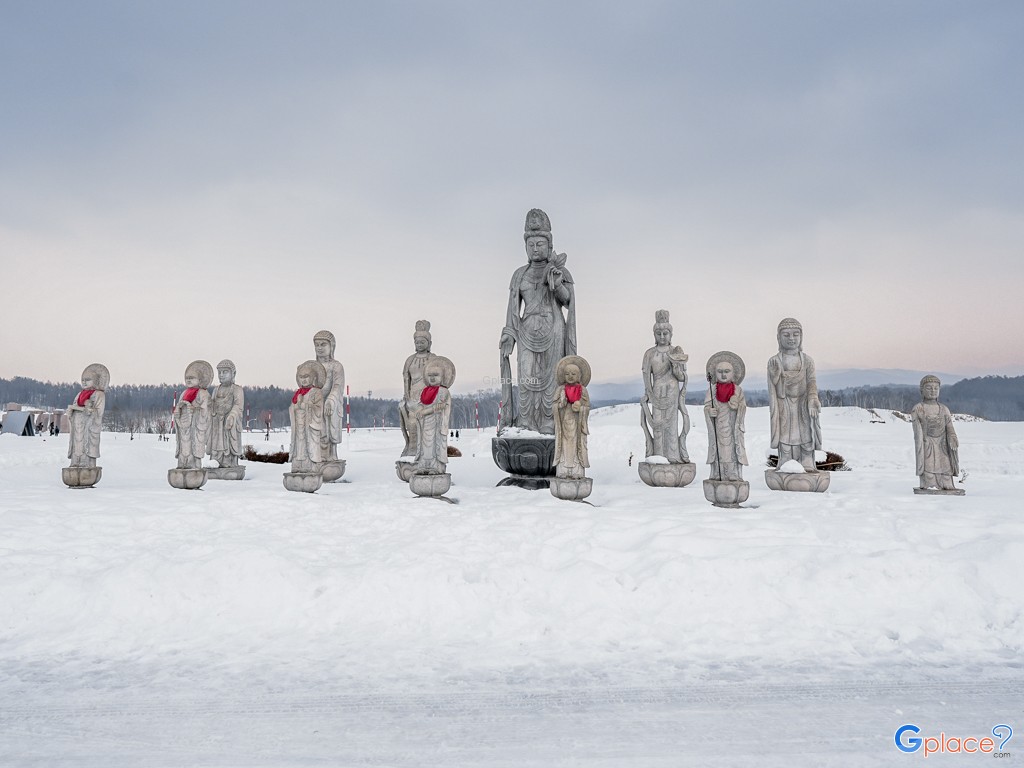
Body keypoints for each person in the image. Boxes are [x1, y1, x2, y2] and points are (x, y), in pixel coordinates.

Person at [499, 209, 577, 434]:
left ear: (549, 246)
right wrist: (509, 334)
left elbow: (568, 301)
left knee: (551, 378)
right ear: (525, 247)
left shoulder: (560, 271)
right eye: (531, 244)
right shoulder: (519, 275)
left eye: (540, 244)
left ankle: (549, 421)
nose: (535, 248)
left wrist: (557, 284)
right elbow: (512, 309)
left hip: (553, 330)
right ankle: (525, 422)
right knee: (526, 379)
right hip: (526, 331)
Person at [767, 318, 822, 471]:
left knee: (806, 432)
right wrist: (776, 377)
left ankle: (807, 462)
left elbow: (811, 381)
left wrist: (812, 398)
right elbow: (774, 390)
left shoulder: (808, 361)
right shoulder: (775, 361)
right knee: (785, 432)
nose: (791, 338)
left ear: (801, 336)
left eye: (795, 334)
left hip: (803, 402)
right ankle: (785, 462)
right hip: (783, 402)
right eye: (786, 335)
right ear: (778, 337)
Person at [640, 309, 689, 462]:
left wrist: (675, 367)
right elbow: (646, 375)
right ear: (654, 335)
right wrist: (648, 393)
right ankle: (659, 457)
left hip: (672, 392)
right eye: (658, 333)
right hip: (656, 393)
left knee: (671, 427)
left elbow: (681, 377)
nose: (662, 336)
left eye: (665, 333)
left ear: (671, 335)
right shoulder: (649, 354)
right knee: (658, 428)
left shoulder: (675, 351)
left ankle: (673, 457)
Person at [704, 352, 748, 481]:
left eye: (727, 371)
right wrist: (709, 411)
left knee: (732, 450)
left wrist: (737, 407)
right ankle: (718, 472)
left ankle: (733, 473)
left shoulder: (737, 390)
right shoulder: (712, 389)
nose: (723, 375)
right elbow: (707, 406)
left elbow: (743, 407)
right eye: (720, 371)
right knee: (719, 449)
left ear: (733, 373)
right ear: (715, 373)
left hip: (732, 425)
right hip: (718, 427)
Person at [911, 375, 960, 490]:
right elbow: (917, 429)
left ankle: (946, 484)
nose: (933, 391)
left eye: (935, 388)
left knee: (945, 465)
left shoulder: (944, 409)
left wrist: (952, 437)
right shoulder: (918, 408)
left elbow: (949, 426)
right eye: (929, 388)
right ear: (921, 390)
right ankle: (929, 484)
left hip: (942, 443)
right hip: (927, 442)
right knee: (929, 466)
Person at [410, 357, 455, 474]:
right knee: (424, 446)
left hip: (436, 423)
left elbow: (439, 407)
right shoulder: (425, 391)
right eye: (430, 375)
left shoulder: (443, 391)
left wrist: (424, 412)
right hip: (424, 424)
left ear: (442, 377)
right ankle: (424, 466)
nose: (432, 378)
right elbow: (420, 404)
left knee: (434, 444)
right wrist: (419, 410)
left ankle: (435, 467)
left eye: (436, 375)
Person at [400, 320, 435, 457]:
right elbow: (406, 378)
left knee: (427, 426)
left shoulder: (433, 358)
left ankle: (427, 452)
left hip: (428, 398)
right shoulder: (410, 360)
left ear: (429, 343)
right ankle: (413, 449)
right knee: (412, 425)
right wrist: (406, 395)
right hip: (413, 397)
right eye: (417, 342)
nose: (419, 345)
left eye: (422, 342)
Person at [553, 357, 590, 479]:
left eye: (573, 374)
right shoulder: (560, 390)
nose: (570, 376)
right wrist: (560, 405)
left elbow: (587, 407)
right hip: (563, 423)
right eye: (567, 374)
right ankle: (563, 470)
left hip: (577, 424)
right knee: (563, 446)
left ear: (579, 375)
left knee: (576, 445)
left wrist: (581, 408)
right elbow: (554, 406)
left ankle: (576, 471)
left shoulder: (582, 390)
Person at [67, 363, 108, 467]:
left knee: (87, 446)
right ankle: (75, 462)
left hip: (89, 427)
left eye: (88, 380)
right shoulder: (79, 394)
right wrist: (71, 413)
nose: (84, 382)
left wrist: (90, 411)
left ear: (95, 380)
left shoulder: (99, 394)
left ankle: (87, 464)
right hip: (77, 425)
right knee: (77, 445)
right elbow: (74, 407)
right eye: (83, 380)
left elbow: (99, 412)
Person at [313, 330, 345, 461]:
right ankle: (315, 454)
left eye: (323, 344)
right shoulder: (312, 366)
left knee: (330, 417)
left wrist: (331, 399)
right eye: (317, 345)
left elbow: (337, 386)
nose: (319, 348)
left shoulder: (336, 366)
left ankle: (332, 454)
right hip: (315, 403)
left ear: (331, 346)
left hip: (330, 403)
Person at [289, 360, 325, 473]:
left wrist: (306, 405)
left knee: (309, 446)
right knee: (299, 445)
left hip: (309, 426)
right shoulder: (298, 393)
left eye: (306, 376)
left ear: (313, 378)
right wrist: (295, 407)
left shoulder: (316, 392)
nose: (303, 379)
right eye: (301, 377)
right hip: (298, 425)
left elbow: (319, 409)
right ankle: (298, 465)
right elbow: (291, 408)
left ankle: (310, 466)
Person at [175, 361, 213, 469]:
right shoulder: (184, 393)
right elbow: (179, 407)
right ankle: (182, 463)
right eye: (187, 378)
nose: (188, 380)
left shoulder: (203, 393)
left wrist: (194, 410)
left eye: (192, 377)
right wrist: (178, 412)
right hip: (184, 425)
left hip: (195, 426)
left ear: (200, 380)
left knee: (193, 447)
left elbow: (205, 411)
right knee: (183, 445)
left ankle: (195, 464)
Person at [208, 359, 244, 468]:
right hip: (216, 423)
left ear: (233, 373)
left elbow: (238, 406)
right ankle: (215, 461)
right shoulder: (216, 390)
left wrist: (232, 415)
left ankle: (229, 462)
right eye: (219, 372)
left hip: (229, 423)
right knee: (216, 443)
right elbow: (211, 405)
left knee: (227, 444)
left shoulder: (237, 389)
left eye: (225, 372)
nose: (221, 375)